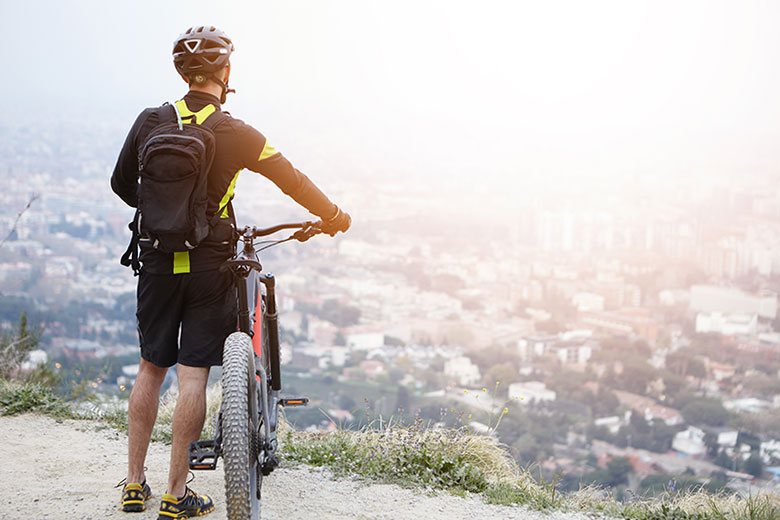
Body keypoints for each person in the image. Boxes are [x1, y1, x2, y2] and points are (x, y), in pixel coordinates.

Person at [111, 26, 351, 519]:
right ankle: (177, 497)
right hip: (209, 265)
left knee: (150, 368)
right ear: (226, 73)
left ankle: (134, 486)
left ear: (182, 73)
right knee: (192, 376)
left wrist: (165, 213)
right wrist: (332, 215)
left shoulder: (149, 121)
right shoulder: (239, 134)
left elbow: (121, 185)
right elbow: (293, 180)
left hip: (155, 260)